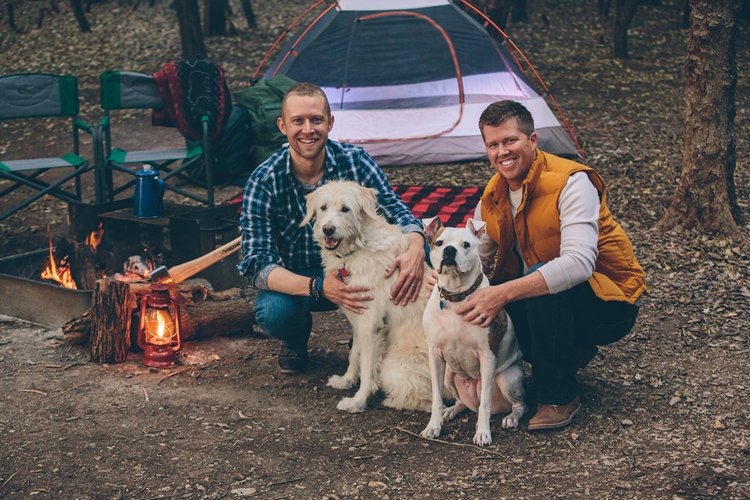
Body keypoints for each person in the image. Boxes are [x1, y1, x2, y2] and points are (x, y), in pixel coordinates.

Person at [456, 100, 646, 431]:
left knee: (538, 279)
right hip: (547, 299)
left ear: (533, 140)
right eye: (493, 144)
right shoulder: (493, 194)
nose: (503, 152)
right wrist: (442, 279)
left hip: (609, 303)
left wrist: (503, 293)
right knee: (494, 299)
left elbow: (579, 264)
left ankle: (559, 396)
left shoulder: (571, 182)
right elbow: (478, 259)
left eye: (510, 141)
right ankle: (563, 352)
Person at [238, 82, 426, 375]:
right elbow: (256, 265)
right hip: (301, 281)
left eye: (316, 120)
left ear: (330, 123)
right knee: (273, 310)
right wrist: (318, 286)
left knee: (418, 248)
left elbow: (393, 207)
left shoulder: (355, 161)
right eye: (297, 121)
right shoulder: (264, 180)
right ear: (282, 126)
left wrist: (416, 243)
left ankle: (373, 334)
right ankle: (295, 341)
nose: (307, 129)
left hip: (360, 270)